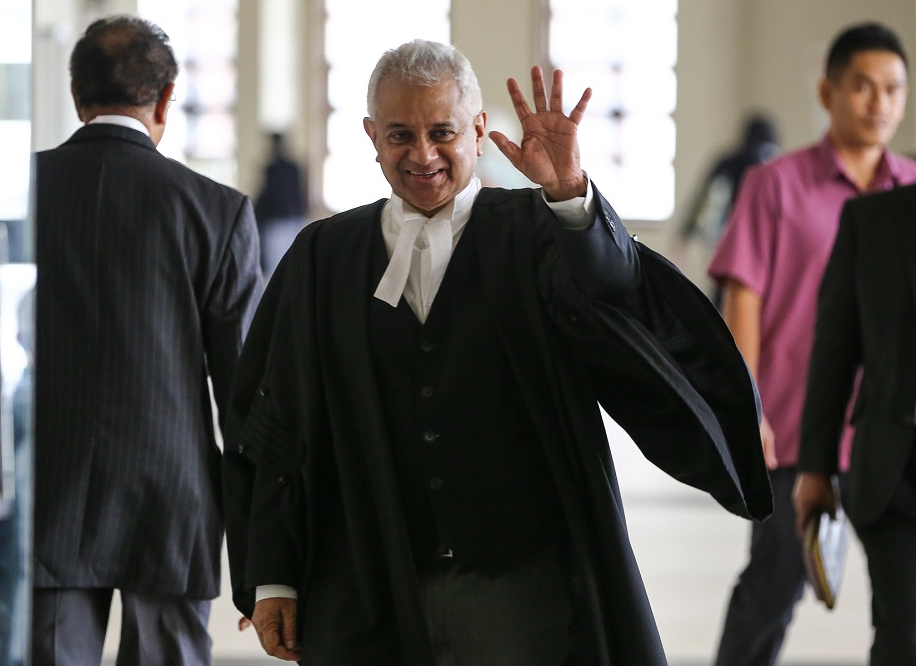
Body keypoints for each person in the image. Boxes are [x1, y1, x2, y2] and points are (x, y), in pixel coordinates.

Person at [222, 39, 771, 665]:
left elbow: (615, 295)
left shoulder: (536, 232)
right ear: (371, 135)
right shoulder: (324, 258)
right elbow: (276, 426)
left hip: (516, 586)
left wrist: (569, 193)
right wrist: (274, 577)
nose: (422, 154)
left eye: (443, 132)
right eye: (400, 134)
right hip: (368, 578)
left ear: (479, 131)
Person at [32, 15, 264, 665]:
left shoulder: (17, 198)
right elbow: (245, 398)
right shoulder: (217, 212)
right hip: (172, 503)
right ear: (165, 100)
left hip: (49, 495)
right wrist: (264, 564)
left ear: (78, 97)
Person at [707, 22, 916, 666]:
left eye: (892, 89)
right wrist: (751, 413)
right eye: (861, 86)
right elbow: (745, 299)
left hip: (890, 436)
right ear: (828, 93)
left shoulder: (909, 192)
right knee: (772, 592)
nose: (878, 103)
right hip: (797, 433)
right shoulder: (776, 186)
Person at [794, 182, 916, 665]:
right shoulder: (873, 221)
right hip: (896, 471)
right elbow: (834, 353)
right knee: (904, 634)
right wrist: (815, 468)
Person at [674, 114, 780, 306]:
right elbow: (704, 198)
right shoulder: (733, 164)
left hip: (754, 243)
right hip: (733, 241)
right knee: (728, 295)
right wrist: (685, 235)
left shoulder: (773, 169)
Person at [254, 132, 307, 277]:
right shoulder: (291, 167)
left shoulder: (274, 169)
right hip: (290, 220)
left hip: (278, 223)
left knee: (277, 268)